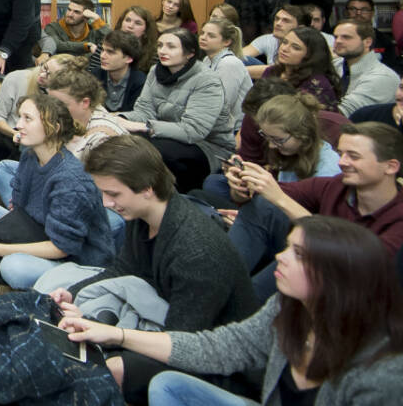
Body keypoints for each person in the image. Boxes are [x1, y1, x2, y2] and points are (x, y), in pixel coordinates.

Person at [60, 217, 403, 406]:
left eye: (297, 253)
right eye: (286, 247)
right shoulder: (288, 306)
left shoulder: (382, 374)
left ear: (336, 276)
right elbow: (220, 348)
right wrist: (117, 334)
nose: (280, 257)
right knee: (168, 386)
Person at [33, 135, 260, 400]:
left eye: (113, 194)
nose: (106, 203)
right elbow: (123, 269)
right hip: (169, 319)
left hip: (216, 362)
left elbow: (183, 343)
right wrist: (72, 292)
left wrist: (116, 338)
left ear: (147, 188)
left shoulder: (198, 250)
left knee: (106, 368)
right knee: (66, 305)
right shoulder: (143, 215)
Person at [226, 122, 403, 299]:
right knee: (263, 206)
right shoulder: (336, 185)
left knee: (299, 252)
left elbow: (360, 265)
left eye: (354, 156)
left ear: (391, 166)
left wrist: (279, 198)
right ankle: (221, 281)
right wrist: (242, 186)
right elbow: (267, 196)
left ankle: (238, 298)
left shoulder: (398, 216)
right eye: (341, 154)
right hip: (311, 263)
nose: (342, 162)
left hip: (352, 292)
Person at [0, 94, 115, 289]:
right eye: (20, 117)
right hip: (36, 232)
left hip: (74, 260)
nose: (18, 125)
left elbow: (62, 248)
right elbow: (19, 213)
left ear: (54, 128)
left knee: (12, 267)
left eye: (28, 119)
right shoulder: (30, 156)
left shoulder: (70, 181)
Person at [119, 30, 233, 191]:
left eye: (171, 47)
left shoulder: (207, 80)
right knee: (118, 138)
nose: (162, 51)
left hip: (207, 147)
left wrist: (144, 127)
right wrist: (116, 118)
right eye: (160, 45)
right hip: (163, 135)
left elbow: (193, 130)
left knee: (152, 152)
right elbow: (144, 111)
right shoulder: (155, 71)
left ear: (190, 53)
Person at [204, 92, 341, 202]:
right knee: (212, 184)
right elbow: (245, 198)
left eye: (278, 140)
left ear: (303, 134)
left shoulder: (328, 169)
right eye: (266, 137)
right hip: (275, 213)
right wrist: (241, 186)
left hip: (301, 225)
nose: (271, 145)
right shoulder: (289, 153)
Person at [0, 54, 80, 171]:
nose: (42, 75)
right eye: (44, 68)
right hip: (11, 139)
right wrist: (14, 133)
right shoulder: (15, 78)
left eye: (50, 75)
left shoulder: (61, 96)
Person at [264, 26, 342, 111]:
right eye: (285, 42)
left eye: (295, 47)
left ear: (310, 55)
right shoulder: (271, 72)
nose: (284, 49)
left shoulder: (317, 84)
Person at [334, 20, 400, 115]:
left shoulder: (382, 77)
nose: (338, 41)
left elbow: (340, 115)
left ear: (367, 42)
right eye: (336, 37)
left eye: (346, 37)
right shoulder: (336, 65)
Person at [199, 17, 252, 129]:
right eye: (202, 33)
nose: (203, 37)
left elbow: (222, 105)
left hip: (233, 130)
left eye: (211, 36)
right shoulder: (207, 60)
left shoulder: (229, 63)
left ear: (226, 42)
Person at [37, 0, 109, 62]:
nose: (70, 14)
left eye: (76, 12)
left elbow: (111, 43)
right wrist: (86, 46)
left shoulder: (93, 30)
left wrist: (97, 19)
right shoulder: (53, 27)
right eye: (69, 9)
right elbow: (57, 45)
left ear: (86, 16)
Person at [96, 29, 148, 113]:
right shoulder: (95, 75)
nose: (102, 56)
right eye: (102, 50)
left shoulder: (140, 82)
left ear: (128, 58)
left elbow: (135, 115)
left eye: (110, 52)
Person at [117, 5, 160, 72]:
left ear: (146, 31)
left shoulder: (155, 54)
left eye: (138, 23)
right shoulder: (106, 44)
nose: (130, 26)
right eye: (127, 20)